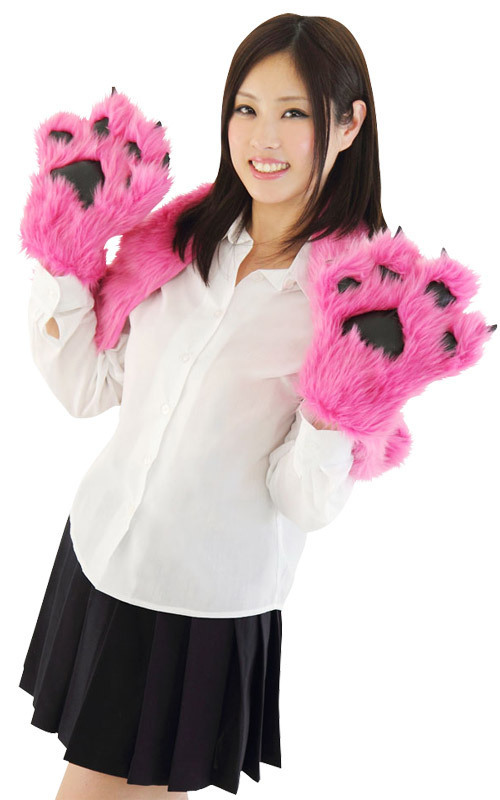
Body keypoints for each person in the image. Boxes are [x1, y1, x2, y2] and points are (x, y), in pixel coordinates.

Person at [17, 12, 495, 800]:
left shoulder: (360, 302)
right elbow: (87, 388)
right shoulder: (177, 237)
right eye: (246, 108)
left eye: (294, 113)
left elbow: (304, 502)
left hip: (198, 605)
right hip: (101, 551)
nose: (263, 138)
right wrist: (63, 256)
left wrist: (339, 404)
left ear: (349, 124)